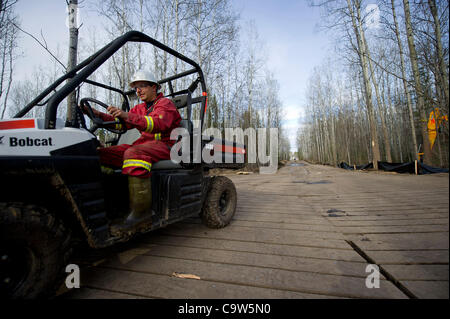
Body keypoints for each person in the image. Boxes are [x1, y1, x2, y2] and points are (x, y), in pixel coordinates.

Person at [85, 70, 181, 230]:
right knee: (101, 155)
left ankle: (142, 213)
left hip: (167, 145)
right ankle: (112, 204)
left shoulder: (165, 104)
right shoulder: (140, 108)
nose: (138, 90)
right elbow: (121, 123)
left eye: (142, 86)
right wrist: (98, 114)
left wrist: (126, 116)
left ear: (154, 87)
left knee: (133, 153)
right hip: (144, 145)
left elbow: (157, 124)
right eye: (136, 87)